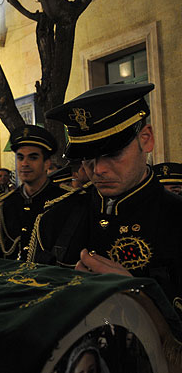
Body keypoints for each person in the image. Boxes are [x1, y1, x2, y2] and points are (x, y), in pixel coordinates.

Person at [31, 83, 182, 311]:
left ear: (146, 139)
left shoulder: (176, 217)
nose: (98, 169)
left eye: (113, 153)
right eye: (87, 157)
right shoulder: (55, 218)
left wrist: (140, 297)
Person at [0, 125, 68, 260]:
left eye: (33, 158)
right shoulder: (6, 203)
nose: (24, 163)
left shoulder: (64, 200)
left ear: (46, 163)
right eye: (20, 158)